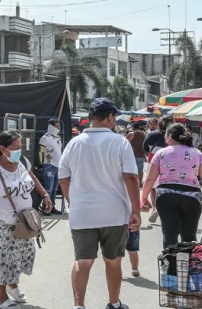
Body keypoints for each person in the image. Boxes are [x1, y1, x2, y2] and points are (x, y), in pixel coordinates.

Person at [58, 98, 141, 309]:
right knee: (113, 260)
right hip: (114, 213)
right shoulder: (120, 142)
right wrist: (136, 211)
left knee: (82, 261)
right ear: (110, 117)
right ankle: (114, 304)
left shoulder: (73, 143)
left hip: (82, 213)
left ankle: (79, 306)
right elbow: (131, 178)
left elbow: (63, 178)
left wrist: (72, 201)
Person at [0, 131, 52, 309]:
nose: (19, 151)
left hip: (24, 219)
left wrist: (45, 195)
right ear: (3, 149)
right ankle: (2, 298)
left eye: (20, 147)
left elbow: (32, 176)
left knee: (20, 255)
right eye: (16, 148)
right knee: (3, 258)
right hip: (2, 220)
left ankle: (13, 286)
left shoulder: (21, 162)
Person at [141, 123, 202, 248]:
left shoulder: (161, 153)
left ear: (171, 137)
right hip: (192, 197)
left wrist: (144, 198)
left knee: (169, 236)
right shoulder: (197, 153)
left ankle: (170, 266)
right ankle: (189, 266)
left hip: (166, 197)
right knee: (189, 237)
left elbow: (150, 179)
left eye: (166, 136)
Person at [143, 117, 170, 223]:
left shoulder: (151, 135)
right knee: (166, 186)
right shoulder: (174, 135)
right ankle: (166, 210)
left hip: (153, 161)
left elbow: (144, 147)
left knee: (153, 187)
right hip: (169, 163)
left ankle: (155, 208)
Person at [39, 118, 63, 215]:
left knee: (55, 188)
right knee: (48, 188)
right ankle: (46, 207)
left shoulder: (57, 138)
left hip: (57, 165)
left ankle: (52, 206)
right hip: (49, 164)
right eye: (57, 126)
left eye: (59, 126)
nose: (59, 128)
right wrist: (41, 163)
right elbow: (41, 151)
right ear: (52, 126)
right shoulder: (45, 138)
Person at [126, 121, 148, 187]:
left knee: (133, 170)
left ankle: (135, 183)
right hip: (142, 155)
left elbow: (124, 142)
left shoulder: (131, 134)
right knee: (140, 170)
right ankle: (140, 183)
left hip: (133, 155)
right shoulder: (144, 134)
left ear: (133, 127)